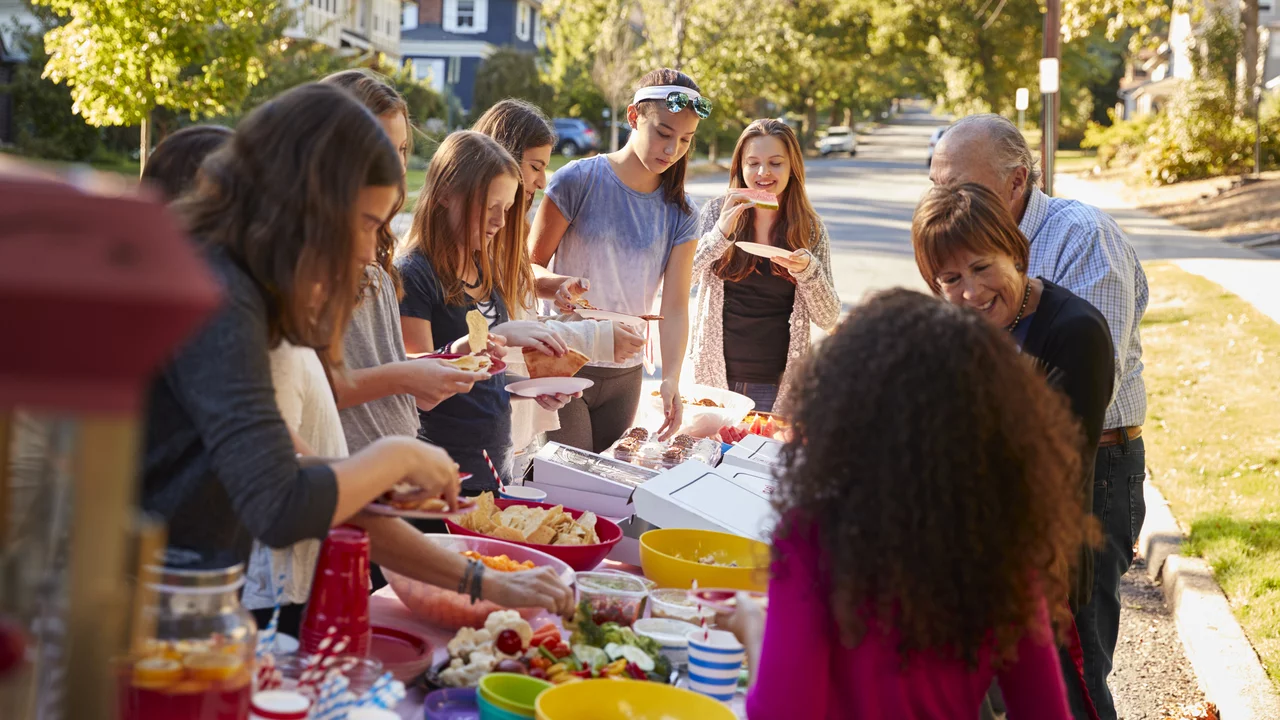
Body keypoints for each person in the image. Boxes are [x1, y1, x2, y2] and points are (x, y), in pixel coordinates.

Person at [140, 84, 573, 626]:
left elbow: (316, 487)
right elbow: (279, 502)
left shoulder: (253, 297)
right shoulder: (224, 305)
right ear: (312, 201)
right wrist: (399, 458)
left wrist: (481, 580)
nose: (371, 251)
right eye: (368, 224)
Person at [717, 288, 1090, 719]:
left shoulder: (813, 536)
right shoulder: (1003, 550)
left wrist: (755, 628)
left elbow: (782, 711)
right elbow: (1045, 709)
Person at [930, 114, 1148, 720]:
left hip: (1090, 471)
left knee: (1071, 671)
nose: (943, 198)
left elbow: (1079, 388)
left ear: (1017, 181)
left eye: (957, 186)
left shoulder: (1081, 238)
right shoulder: (961, 246)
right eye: (936, 184)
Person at [528, 68, 708, 451]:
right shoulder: (577, 180)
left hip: (626, 376)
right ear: (633, 117)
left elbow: (675, 306)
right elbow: (525, 268)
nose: (672, 149)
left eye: (685, 140)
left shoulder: (683, 212)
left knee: (604, 491)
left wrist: (671, 377)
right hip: (565, 358)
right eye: (663, 133)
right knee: (568, 487)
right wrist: (556, 286)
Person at [471, 99, 647, 472]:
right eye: (534, 167)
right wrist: (594, 339)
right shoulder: (476, 238)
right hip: (481, 434)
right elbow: (485, 338)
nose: (541, 181)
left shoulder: (508, 227)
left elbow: (519, 281)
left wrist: (553, 286)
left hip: (510, 423)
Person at [320, 69, 489, 456]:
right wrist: (406, 375)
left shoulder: (372, 249)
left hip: (389, 478)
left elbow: (380, 365)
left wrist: (446, 360)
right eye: (380, 150)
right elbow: (311, 388)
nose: (396, 169)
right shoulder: (306, 262)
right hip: (344, 478)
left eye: (400, 151)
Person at [397, 130, 573, 490]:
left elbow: (481, 380)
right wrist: (498, 337)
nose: (501, 222)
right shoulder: (414, 274)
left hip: (492, 467)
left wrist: (531, 388)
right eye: (491, 208)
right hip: (437, 477)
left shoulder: (483, 268)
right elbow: (416, 382)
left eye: (507, 209)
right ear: (446, 194)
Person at [688, 119, 840, 413]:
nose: (763, 172)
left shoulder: (810, 229)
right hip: (712, 379)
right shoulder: (717, 212)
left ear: (792, 167)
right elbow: (683, 280)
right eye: (753, 162)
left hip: (774, 386)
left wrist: (808, 271)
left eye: (775, 163)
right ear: (740, 167)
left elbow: (829, 318)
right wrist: (719, 235)